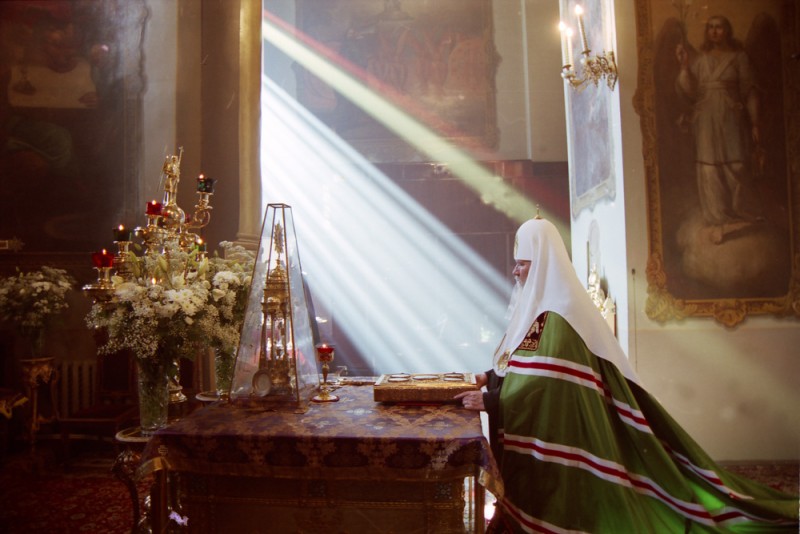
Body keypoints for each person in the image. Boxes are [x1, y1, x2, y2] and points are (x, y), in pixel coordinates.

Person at [456, 218, 797, 533]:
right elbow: (523, 359)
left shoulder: (559, 315)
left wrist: (491, 401)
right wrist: (489, 376)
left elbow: (547, 383)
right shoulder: (539, 308)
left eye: (522, 264)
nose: (515, 271)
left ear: (542, 263)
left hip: (568, 429)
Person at [675, 15, 764, 245]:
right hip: (706, 120)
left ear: (727, 30)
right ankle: (718, 217)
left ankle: (741, 212)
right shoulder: (701, 61)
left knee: (737, 164)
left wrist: (755, 123)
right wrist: (684, 66)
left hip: (731, 117)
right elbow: (690, 93)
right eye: (711, 28)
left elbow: (750, 91)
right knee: (709, 168)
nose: (715, 32)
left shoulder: (739, 58)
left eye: (719, 27)